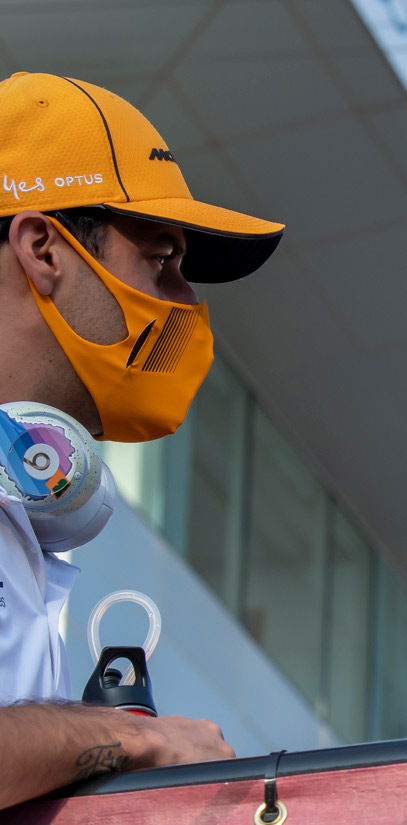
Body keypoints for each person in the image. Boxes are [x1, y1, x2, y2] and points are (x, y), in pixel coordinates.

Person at [0, 72, 284, 807]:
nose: (186, 301)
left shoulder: (26, 519)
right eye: (160, 261)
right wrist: (133, 738)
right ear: (43, 249)